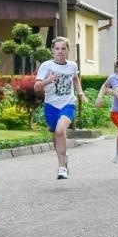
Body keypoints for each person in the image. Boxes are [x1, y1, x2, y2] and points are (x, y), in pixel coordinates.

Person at [35, 36, 80, 179]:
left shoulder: (72, 65)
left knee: (60, 131)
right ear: (52, 51)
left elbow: (75, 78)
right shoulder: (46, 66)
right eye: (57, 48)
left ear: (68, 50)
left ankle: (61, 168)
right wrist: (48, 80)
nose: (60, 51)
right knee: (57, 136)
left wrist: (80, 93)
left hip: (68, 104)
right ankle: (64, 159)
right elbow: (36, 87)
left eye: (63, 48)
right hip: (51, 105)